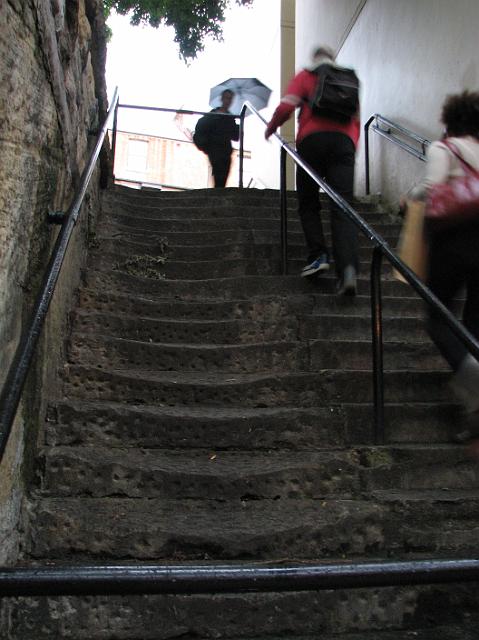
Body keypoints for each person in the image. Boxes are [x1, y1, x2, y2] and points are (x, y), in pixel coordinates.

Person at [406, 90, 479, 439]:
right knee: (473, 327)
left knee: (438, 317)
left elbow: (432, 190)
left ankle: (476, 385)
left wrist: (411, 199)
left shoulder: (444, 149)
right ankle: (474, 413)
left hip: (455, 240)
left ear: (450, 121)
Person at [265, 45, 361, 295]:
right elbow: (357, 120)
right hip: (344, 144)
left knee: (308, 202)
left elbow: (287, 107)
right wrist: (352, 145)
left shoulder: (307, 75)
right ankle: (348, 268)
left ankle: (319, 255)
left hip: (312, 142)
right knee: (343, 206)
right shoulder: (349, 79)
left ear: (315, 58)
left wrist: (271, 127)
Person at [195, 89, 239, 188]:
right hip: (214, 149)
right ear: (222, 99)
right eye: (227, 98)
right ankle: (217, 195)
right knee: (219, 173)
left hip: (226, 150)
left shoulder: (230, 117)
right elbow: (202, 126)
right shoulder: (213, 114)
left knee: (223, 176)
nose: (228, 101)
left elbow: (235, 136)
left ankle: (218, 194)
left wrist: (238, 129)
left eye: (230, 99)